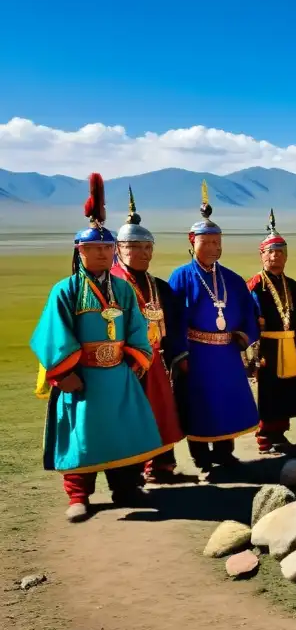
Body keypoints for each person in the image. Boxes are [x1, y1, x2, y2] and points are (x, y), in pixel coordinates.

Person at [31, 173, 168, 522]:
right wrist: (65, 375)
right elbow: (53, 333)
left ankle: (125, 487)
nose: (103, 254)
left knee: (124, 432)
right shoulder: (65, 290)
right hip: (83, 379)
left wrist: (137, 360)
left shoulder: (122, 291)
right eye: (95, 248)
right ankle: (79, 496)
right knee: (82, 436)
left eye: (108, 248)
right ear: (81, 251)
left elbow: (137, 327)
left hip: (119, 374)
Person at [168, 181, 260, 470]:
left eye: (217, 242)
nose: (213, 247)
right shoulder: (181, 277)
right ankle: (201, 457)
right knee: (200, 405)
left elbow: (249, 311)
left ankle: (224, 453)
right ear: (191, 240)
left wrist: (243, 338)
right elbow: (172, 320)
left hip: (227, 354)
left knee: (227, 404)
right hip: (197, 354)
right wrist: (180, 355)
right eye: (207, 242)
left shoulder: (232, 279)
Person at [111, 186, 187, 483]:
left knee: (161, 414)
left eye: (147, 247)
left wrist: (178, 355)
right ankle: (131, 475)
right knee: (130, 419)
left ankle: (161, 468)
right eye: (134, 247)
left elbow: (177, 323)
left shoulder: (161, 287)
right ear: (119, 249)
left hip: (155, 363)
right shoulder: (112, 285)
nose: (143, 253)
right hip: (123, 366)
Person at [246, 210, 296, 455]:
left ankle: (280, 433)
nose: (275, 256)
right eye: (271, 252)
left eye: (280, 252)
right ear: (262, 255)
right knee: (268, 392)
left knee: (286, 390)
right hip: (267, 347)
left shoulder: (291, 284)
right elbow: (248, 316)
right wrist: (254, 353)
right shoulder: (255, 284)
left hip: (290, 344)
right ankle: (264, 438)